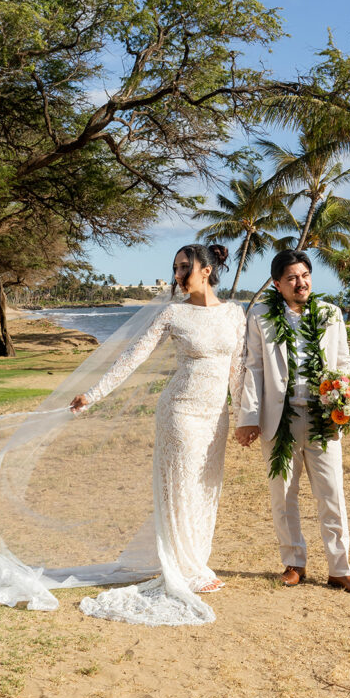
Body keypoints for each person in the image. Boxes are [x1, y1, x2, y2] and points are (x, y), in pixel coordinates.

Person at [69, 244, 246, 624]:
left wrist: (246, 415)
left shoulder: (234, 313)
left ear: (207, 270)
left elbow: (239, 370)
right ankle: (186, 570)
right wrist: (95, 394)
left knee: (205, 488)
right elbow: (133, 356)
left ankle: (195, 560)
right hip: (179, 413)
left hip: (215, 417)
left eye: (185, 267)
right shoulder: (172, 313)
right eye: (176, 267)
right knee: (181, 486)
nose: (178, 275)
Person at [235, 249, 350, 595]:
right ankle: (294, 563)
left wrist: (348, 400)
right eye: (292, 277)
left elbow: (342, 362)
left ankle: (340, 569)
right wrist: (248, 418)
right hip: (278, 420)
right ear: (277, 284)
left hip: (323, 419)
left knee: (332, 494)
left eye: (305, 275)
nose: (301, 282)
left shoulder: (330, 314)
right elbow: (253, 368)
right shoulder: (261, 316)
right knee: (283, 495)